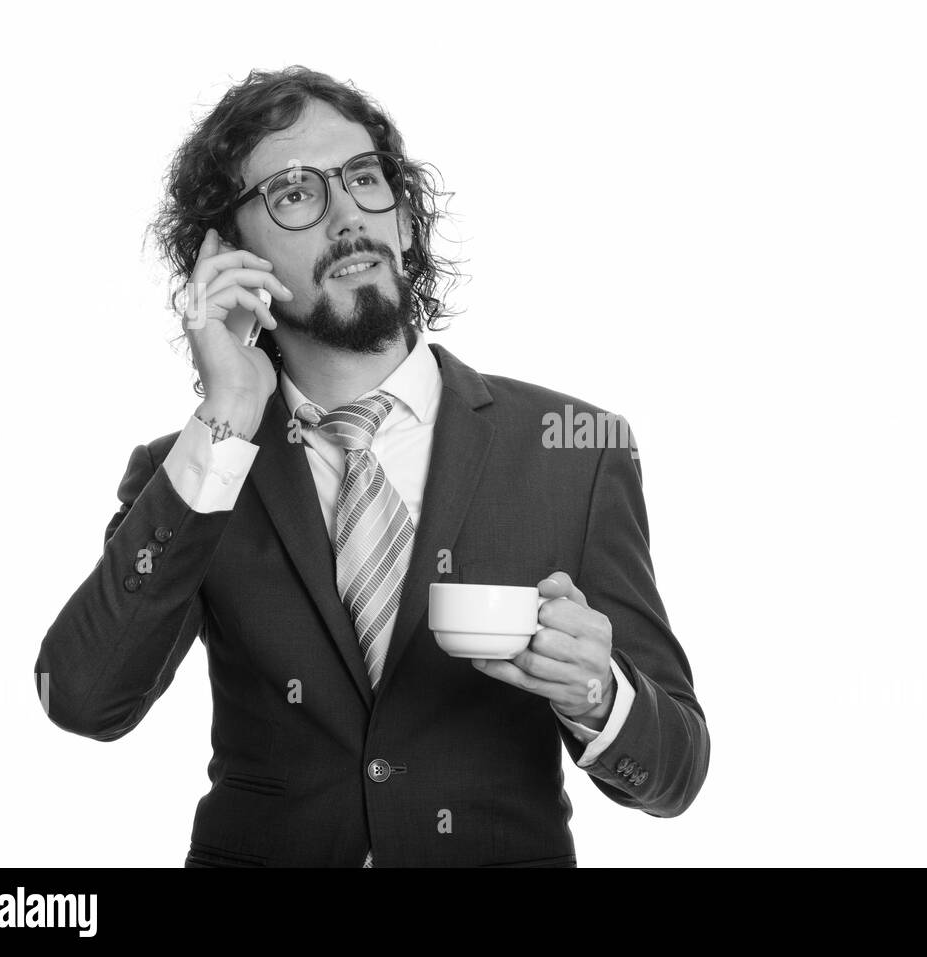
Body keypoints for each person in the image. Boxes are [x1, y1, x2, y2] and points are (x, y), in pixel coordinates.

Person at [34, 65, 709, 867]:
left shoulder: (575, 447)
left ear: (405, 221)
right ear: (230, 253)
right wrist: (227, 414)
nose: (348, 213)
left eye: (363, 178)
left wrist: (598, 693)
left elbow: (676, 773)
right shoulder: (193, 466)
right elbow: (83, 698)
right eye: (294, 192)